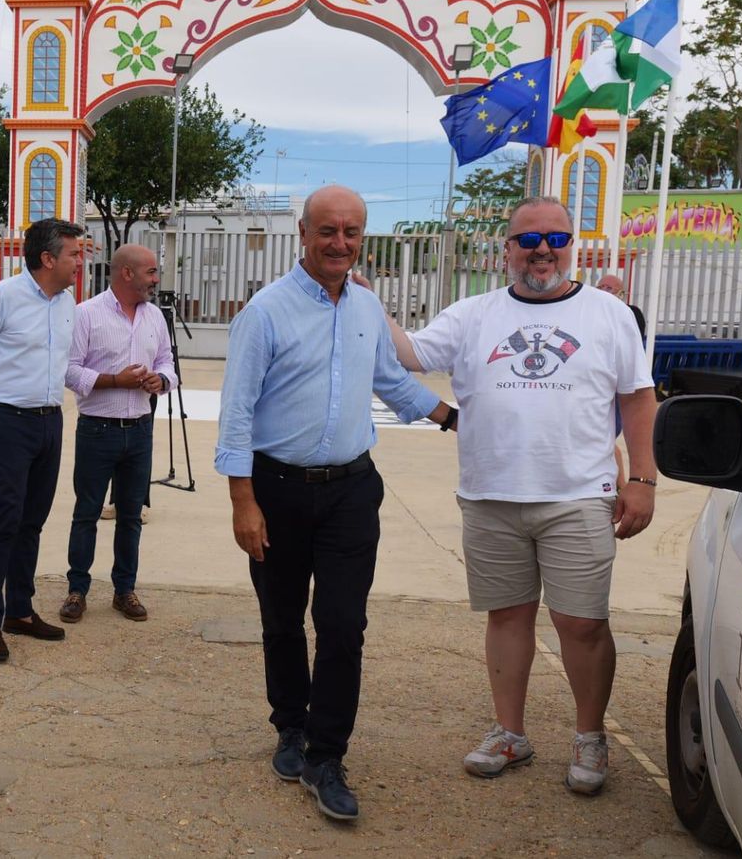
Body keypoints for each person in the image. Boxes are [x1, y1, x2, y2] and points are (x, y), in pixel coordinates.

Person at [384, 196, 656, 796]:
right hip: (490, 496)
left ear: (572, 247)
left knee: (581, 623)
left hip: (579, 495)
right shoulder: (473, 315)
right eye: (528, 239)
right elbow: (410, 354)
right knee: (506, 617)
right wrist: (363, 302)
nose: (542, 250)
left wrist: (643, 479)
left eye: (555, 239)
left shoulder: (607, 316)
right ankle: (511, 732)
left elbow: (639, 398)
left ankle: (590, 737)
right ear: (506, 248)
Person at [215, 185, 455, 823]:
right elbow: (236, 413)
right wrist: (244, 502)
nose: (340, 243)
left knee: (344, 626)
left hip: (352, 491)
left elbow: (388, 377)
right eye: (328, 231)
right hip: (278, 491)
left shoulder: (367, 309)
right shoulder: (265, 312)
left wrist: (449, 416)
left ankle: (327, 754)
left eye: (352, 232)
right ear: (304, 232)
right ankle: (290, 727)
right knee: (282, 620)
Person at [0, 217, 85, 662]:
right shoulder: (3, 297)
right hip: (6, 420)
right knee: (3, 519)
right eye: (73, 253)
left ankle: (20, 610)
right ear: (48, 259)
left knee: (32, 519)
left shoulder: (66, 303)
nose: (80, 261)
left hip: (49, 421)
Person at [59, 243, 174, 624]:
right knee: (86, 512)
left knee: (130, 516)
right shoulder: (86, 314)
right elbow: (70, 371)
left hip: (140, 431)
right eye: (151, 273)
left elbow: (167, 362)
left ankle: (124, 590)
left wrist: (161, 380)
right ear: (127, 273)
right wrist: (114, 381)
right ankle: (77, 590)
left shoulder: (155, 317)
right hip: (97, 431)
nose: (156, 280)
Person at [595, 274, 647, 339]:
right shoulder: (589, 311)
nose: (603, 291)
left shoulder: (632, 312)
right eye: (600, 288)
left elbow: (634, 340)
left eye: (609, 288)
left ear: (620, 294)